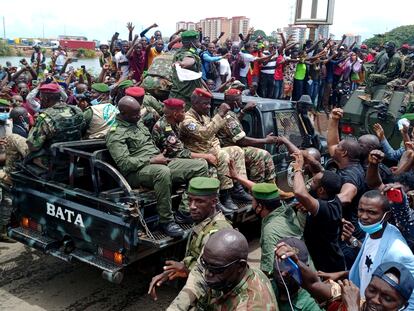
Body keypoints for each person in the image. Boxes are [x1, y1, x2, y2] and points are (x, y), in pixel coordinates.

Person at [106, 96, 208, 237]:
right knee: (162, 172)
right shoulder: (115, 133)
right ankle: (166, 220)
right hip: (137, 173)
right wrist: (151, 159)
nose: (138, 116)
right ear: (123, 113)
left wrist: (159, 157)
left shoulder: (137, 123)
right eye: (135, 114)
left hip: (158, 162)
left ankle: (184, 211)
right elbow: (125, 164)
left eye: (138, 112)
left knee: (200, 165)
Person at [149, 177, 232, 310]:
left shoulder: (217, 234)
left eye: (199, 201)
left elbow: (203, 277)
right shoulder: (204, 221)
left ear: (214, 202)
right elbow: (199, 259)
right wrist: (177, 269)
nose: (192, 206)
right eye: (190, 200)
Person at [275, 242, 414, 311]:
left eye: (388, 298)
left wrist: (352, 307)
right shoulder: (351, 298)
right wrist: (296, 262)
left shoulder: (352, 303)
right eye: (372, 290)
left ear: (402, 305)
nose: (375, 300)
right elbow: (313, 284)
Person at [179, 88, 251, 213]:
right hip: (198, 154)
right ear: (195, 104)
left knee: (236, 150)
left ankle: (237, 189)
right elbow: (205, 133)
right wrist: (220, 114)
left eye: (209, 103)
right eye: (204, 104)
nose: (208, 106)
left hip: (211, 150)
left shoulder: (205, 116)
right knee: (222, 154)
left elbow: (213, 136)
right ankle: (224, 195)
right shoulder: (187, 120)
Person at [291, 151, 346, 272]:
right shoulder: (332, 198)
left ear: (321, 190)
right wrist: (302, 154)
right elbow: (317, 167)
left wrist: (298, 169)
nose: (310, 183)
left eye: (313, 182)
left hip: (328, 264)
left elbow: (300, 192)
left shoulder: (326, 208)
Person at [201, 228, 278, 310]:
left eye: (217, 269)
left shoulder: (249, 307)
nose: (208, 273)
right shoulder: (244, 273)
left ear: (240, 266)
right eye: (204, 263)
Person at [218, 88, 277, 183]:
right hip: (231, 149)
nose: (241, 103)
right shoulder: (227, 116)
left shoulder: (224, 111)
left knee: (266, 156)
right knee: (260, 154)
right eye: (240, 101)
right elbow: (241, 140)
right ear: (235, 103)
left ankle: (271, 186)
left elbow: (234, 124)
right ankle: (256, 187)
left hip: (234, 147)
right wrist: (266, 140)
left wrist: (243, 111)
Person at [26, 83, 85, 170]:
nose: (40, 100)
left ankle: (8, 177)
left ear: (46, 98)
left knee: (13, 138)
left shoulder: (45, 117)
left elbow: (33, 146)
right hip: (72, 157)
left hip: (50, 161)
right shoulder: (77, 111)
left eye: (41, 97)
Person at [272, 237, 323, 311]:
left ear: (304, 269)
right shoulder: (265, 286)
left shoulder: (309, 306)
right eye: (280, 266)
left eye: (291, 269)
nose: (283, 274)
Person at [169, 30, 204, 110]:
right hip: (182, 99)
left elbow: (197, 75)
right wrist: (183, 63)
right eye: (197, 41)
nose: (200, 43)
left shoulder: (189, 51)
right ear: (191, 43)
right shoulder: (186, 54)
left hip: (183, 96)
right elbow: (189, 60)